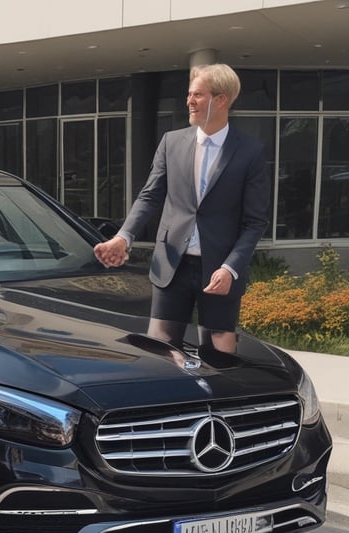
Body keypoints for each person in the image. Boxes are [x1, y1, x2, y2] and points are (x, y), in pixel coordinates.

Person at [94, 64, 270, 353]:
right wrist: (123, 237)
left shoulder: (250, 152)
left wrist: (231, 268)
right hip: (171, 264)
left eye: (197, 95)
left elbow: (255, 222)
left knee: (219, 353)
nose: (189, 101)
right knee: (161, 352)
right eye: (189, 94)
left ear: (221, 100)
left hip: (220, 271)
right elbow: (150, 195)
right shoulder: (171, 143)